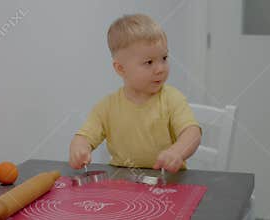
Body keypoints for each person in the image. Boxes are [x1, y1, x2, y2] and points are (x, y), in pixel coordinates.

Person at [69, 14, 201, 173]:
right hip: (123, 184)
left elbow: (192, 133)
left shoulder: (172, 99)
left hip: (168, 182)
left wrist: (177, 152)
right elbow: (84, 137)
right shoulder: (107, 107)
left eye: (164, 58)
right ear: (121, 69)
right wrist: (79, 148)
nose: (160, 68)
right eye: (149, 62)